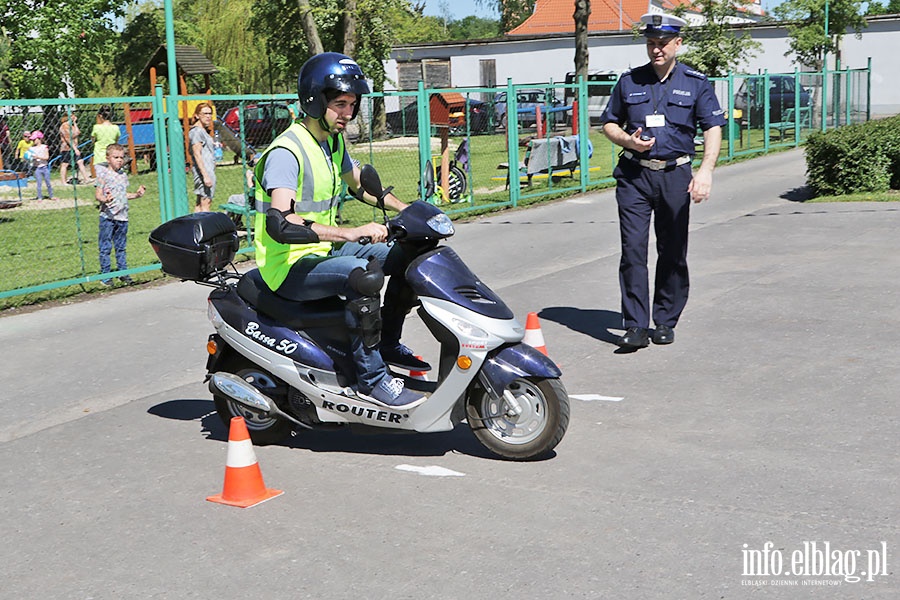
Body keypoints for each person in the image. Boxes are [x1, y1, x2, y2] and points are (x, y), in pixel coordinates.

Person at [254, 52, 429, 409]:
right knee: (364, 276)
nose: (348, 114)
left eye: (352, 104)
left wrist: (408, 209)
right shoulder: (287, 152)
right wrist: (350, 233)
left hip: (323, 253)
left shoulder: (332, 142)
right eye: (340, 104)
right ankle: (373, 380)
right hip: (288, 266)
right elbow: (280, 222)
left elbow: (359, 185)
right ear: (315, 101)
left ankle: (388, 343)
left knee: (410, 254)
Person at [600, 13, 725, 350]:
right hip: (634, 176)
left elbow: (713, 126)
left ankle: (665, 320)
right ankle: (636, 325)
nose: (656, 50)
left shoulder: (696, 82)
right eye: (651, 43)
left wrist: (706, 171)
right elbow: (609, 123)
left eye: (662, 44)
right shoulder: (629, 81)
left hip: (675, 175)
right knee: (633, 252)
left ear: (677, 43)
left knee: (672, 252)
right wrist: (628, 141)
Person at [94, 143, 145, 286]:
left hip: (122, 217)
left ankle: (123, 273)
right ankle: (106, 276)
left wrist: (136, 195)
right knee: (105, 247)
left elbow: (123, 194)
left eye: (121, 157)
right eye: (115, 157)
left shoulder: (123, 176)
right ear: (108, 158)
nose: (119, 160)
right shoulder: (103, 176)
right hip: (108, 217)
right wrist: (105, 199)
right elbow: (98, 194)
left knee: (121, 247)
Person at [189, 102, 216, 212]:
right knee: (206, 202)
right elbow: (197, 154)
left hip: (208, 170)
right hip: (204, 171)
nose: (208, 116)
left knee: (200, 203)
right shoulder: (196, 132)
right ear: (197, 115)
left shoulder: (202, 131)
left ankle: (194, 228)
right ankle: (205, 228)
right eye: (205, 113)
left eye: (210, 113)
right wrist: (205, 175)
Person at [59, 114, 92, 185]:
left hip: (75, 147)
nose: (74, 117)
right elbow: (68, 138)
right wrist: (75, 149)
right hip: (67, 148)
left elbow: (78, 132)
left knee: (80, 161)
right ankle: (63, 181)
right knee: (65, 164)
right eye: (72, 116)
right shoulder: (64, 126)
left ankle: (86, 178)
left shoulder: (72, 126)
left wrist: (75, 123)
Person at [29, 131, 57, 201]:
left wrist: (38, 157)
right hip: (37, 168)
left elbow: (46, 157)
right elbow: (29, 157)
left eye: (34, 139)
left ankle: (51, 196)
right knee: (39, 183)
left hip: (44, 167)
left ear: (39, 139)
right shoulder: (32, 149)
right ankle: (39, 197)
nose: (33, 141)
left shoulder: (44, 147)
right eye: (32, 140)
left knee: (48, 182)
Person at [90, 106, 120, 171]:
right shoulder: (115, 128)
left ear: (100, 116)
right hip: (112, 156)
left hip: (99, 157)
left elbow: (93, 140)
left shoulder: (96, 127)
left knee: (101, 179)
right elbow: (116, 141)